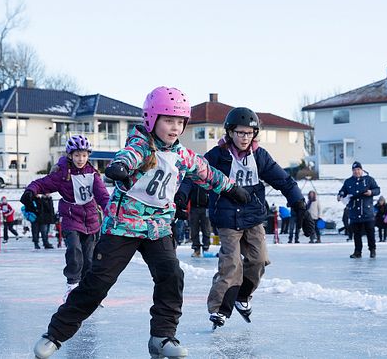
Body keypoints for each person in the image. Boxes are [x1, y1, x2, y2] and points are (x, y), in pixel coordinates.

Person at [33, 86, 245, 359]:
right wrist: (119, 168)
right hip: (124, 226)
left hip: (158, 228)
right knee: (97, 282)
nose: (175, 128)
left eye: (180, 122)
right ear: (151, 119)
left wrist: (231, 189)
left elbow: (207, 173)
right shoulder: (141, 146)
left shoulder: (182, 156)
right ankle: (56, 333)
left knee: (171, 276)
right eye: (169, 120)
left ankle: (162, 336)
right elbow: (128, 156)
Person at [182, 107, 309, 329]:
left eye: (249, 133)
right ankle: (220, 308)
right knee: (231, 263)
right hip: (227, 218)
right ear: (230, 132)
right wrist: (182, 195)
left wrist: (299, 204)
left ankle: (243, 296)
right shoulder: (217, 155)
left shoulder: (259, 156)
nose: (245, 137)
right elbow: (194, 172)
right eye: (240, 133)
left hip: (253, 216)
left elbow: (284, 181)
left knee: (259, 260)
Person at [22, 134, 109, 300]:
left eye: (84, 155)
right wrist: (30, 191)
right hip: (70, 216)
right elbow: (42, 183)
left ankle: (87, 291)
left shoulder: (93, 174)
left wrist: (111, 213)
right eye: (77, 155)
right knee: (74, 251)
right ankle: (72, 285)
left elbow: (103, 197)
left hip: (91, 218)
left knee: (89, 258)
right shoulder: (62, 174)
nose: (80, 159)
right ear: (70, 155)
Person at [337, 161, 380, 258]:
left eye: (358, 169)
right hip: (354, 212)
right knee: (356, 234)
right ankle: (357, 252)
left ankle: (372, 250)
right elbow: (343, 190)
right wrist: (340, 195)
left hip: (367, 212)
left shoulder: (369, 180)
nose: (356, 172)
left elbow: (377, 190)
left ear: (361, 170)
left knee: (370, 233)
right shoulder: (348, 181)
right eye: (354, 170)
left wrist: (371, 192)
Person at [175, 180, 212, 257]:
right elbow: (187, 194)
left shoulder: (207, 182)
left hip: (205, 208)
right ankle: (196, 249)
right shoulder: (193, 182)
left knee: (206, 229)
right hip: (194, 208)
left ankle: (206, 247)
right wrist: (184, 206)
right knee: (194, 229)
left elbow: (211, 194)